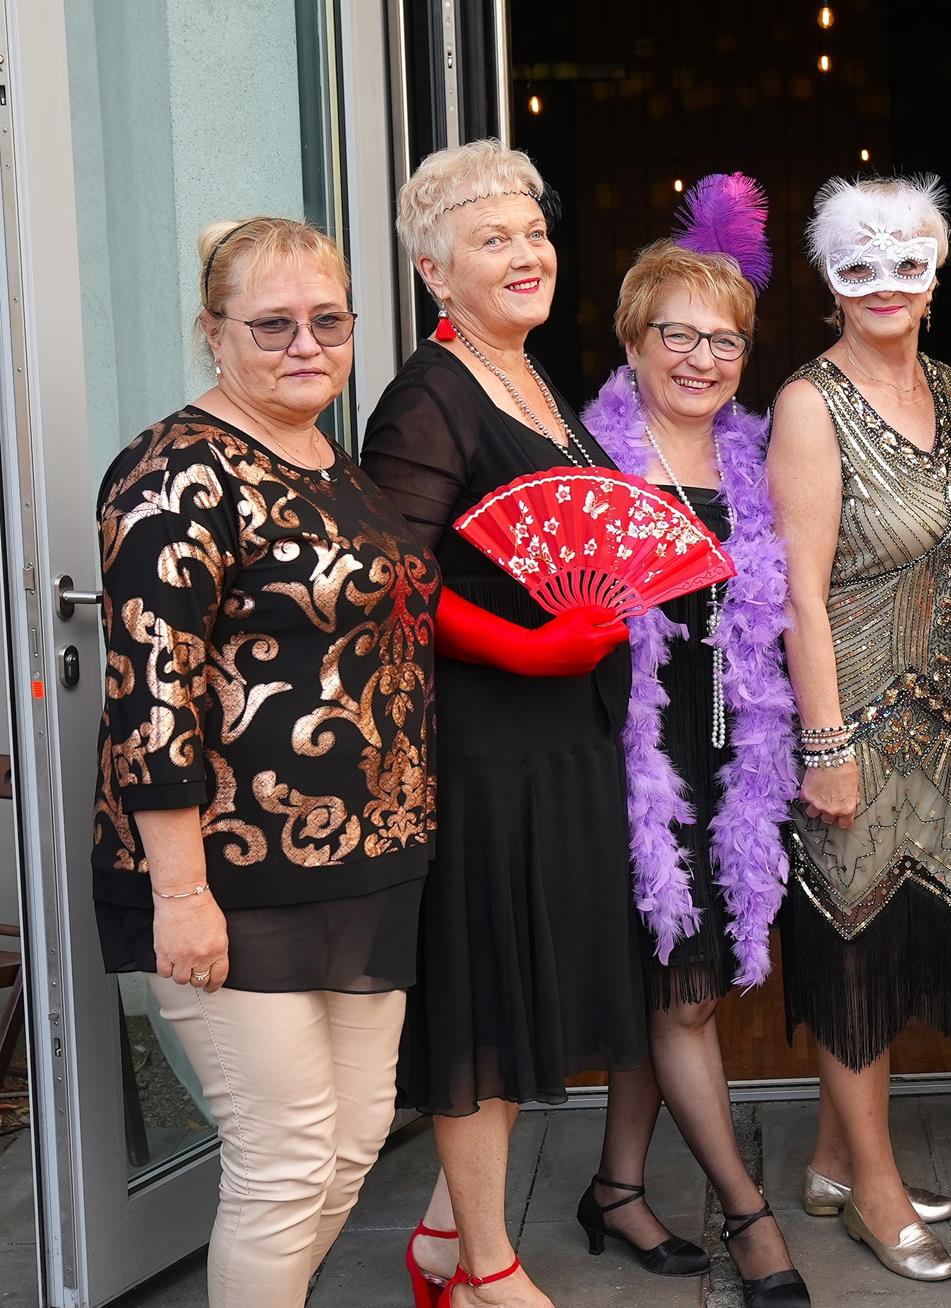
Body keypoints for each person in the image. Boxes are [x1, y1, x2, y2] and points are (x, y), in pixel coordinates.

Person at [91, 216, 437, 1308]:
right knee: (285, 1158)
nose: (306, 345)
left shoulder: (332, 458)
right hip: (229, 877)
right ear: (213, 331)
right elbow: (149, 693)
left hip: (362, 862)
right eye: (273, 324)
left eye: (328, 321)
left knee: (351, 1141)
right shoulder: (172, 471)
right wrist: (179, 894)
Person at [361, 140, 647, 1308]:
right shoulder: (428, 395)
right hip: (482, 746)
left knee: (530, 987)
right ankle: (485, 1266)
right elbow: (391, 581)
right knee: (481, 1002)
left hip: (560, 738)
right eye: (493, 240)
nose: (527, 254)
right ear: (434, 270)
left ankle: (442, 1238)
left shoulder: (528, 375)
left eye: (532, 232)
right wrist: (526, 647)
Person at [582, 174, 808, 1308]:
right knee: (678, 991)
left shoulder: (757, 459)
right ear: (633, 339)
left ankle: (616, 1187)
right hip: (629, 755)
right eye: (676, 334)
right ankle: (748, 1215)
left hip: (732, 750)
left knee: (674, 984)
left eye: (724, 341)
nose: (701, 359)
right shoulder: (585, 460)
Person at [766, 175, 951, 1284]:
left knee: (890, 945)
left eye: (909, 262)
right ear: (830, 280)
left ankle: (828, 1162)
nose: (887, 284)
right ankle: (876, 1188)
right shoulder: (809, 405)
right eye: (860, 266)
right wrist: (824, 745)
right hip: (853, 720)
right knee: (852, 950)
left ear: (937, 273)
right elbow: (799, 593)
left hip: (946, 725)